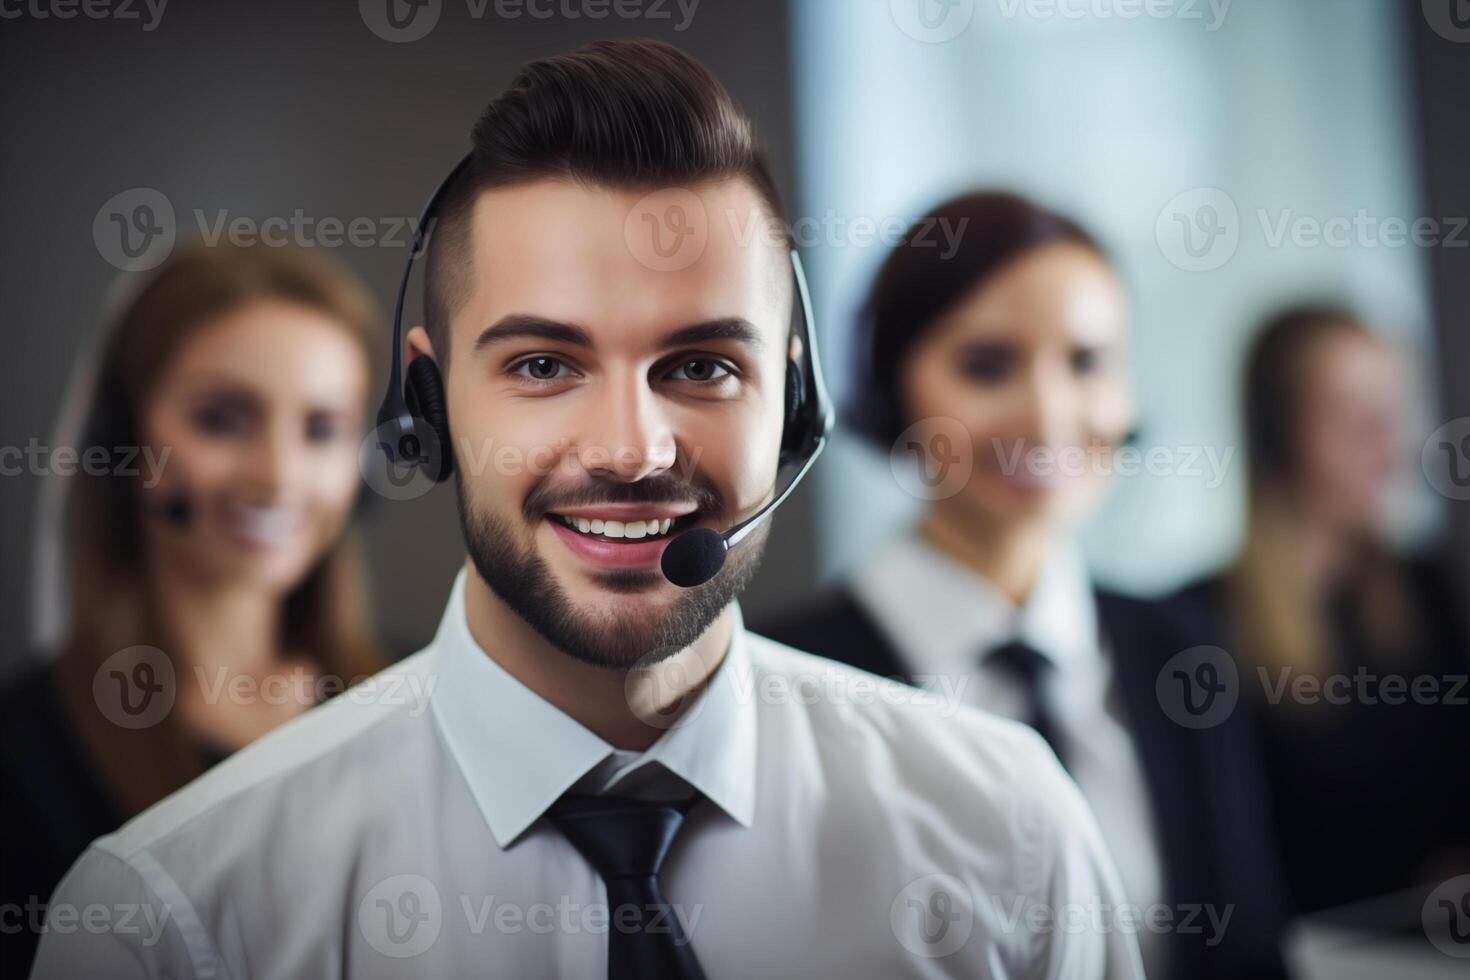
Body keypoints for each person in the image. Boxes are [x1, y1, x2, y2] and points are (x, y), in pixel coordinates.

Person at [31, 41, 1142, 979]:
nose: (630, 449)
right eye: (543, 364)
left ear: (794, 405)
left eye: (702, 365)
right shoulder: (170, 916)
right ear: (427, 403)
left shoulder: (1011, 833)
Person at [759, 192, 1290, 979]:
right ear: (893, 384)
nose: (1047, 415)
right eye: (987, 364)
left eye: (1086, 362)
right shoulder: (783, 685)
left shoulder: (1185, 647)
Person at [0, 241, 388, 977]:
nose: (277, 476)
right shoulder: (22, 758)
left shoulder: (423, 698)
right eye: (222, 420)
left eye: (321, 430)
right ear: (121, 443)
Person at [1172, 306, 1470, 915]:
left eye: (1393, 408)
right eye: (1352, 412)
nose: (1388, 437)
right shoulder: (1198, 623)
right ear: (1281, 431)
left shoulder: (1426, 589)